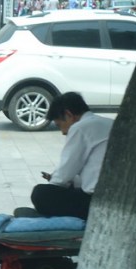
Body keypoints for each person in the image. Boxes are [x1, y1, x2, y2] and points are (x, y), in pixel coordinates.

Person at [26, 92, 113, 220]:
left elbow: (65, 171)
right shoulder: (109, 123)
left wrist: (53, 184)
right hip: (117, 196)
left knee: (40, 193)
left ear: (69, 115)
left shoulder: (80, 128)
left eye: (59, 125)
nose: (63, 132)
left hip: (97, 202)